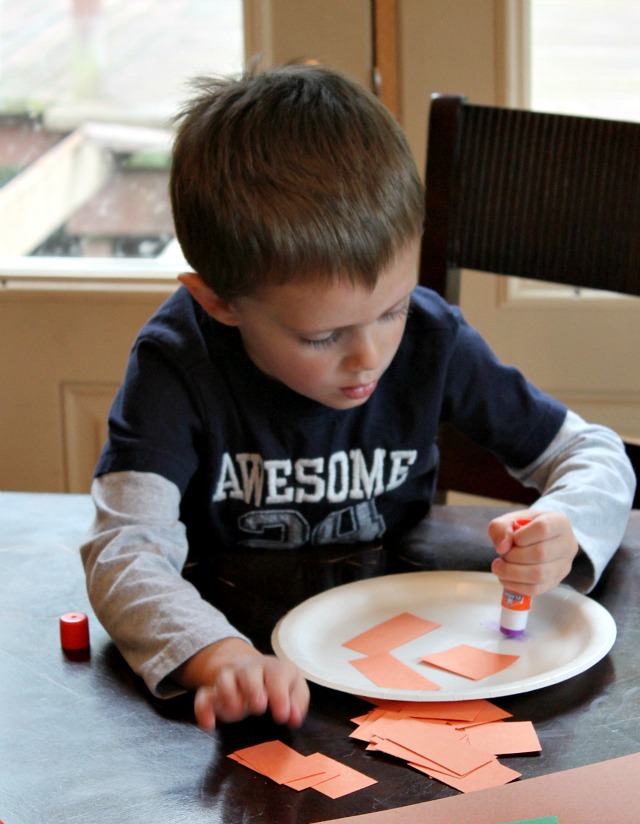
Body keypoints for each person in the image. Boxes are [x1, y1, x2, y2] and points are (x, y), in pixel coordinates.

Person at [80, 64, 635, 733]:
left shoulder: (433, 339)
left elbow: (592, 450)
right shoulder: (177, 364)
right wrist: (213, 653)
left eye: (391, 309)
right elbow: (124, 549)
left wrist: (567, 526)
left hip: (412, 671)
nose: (369, 356)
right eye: (323, 336)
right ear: (219, 301)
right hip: (254, 671)